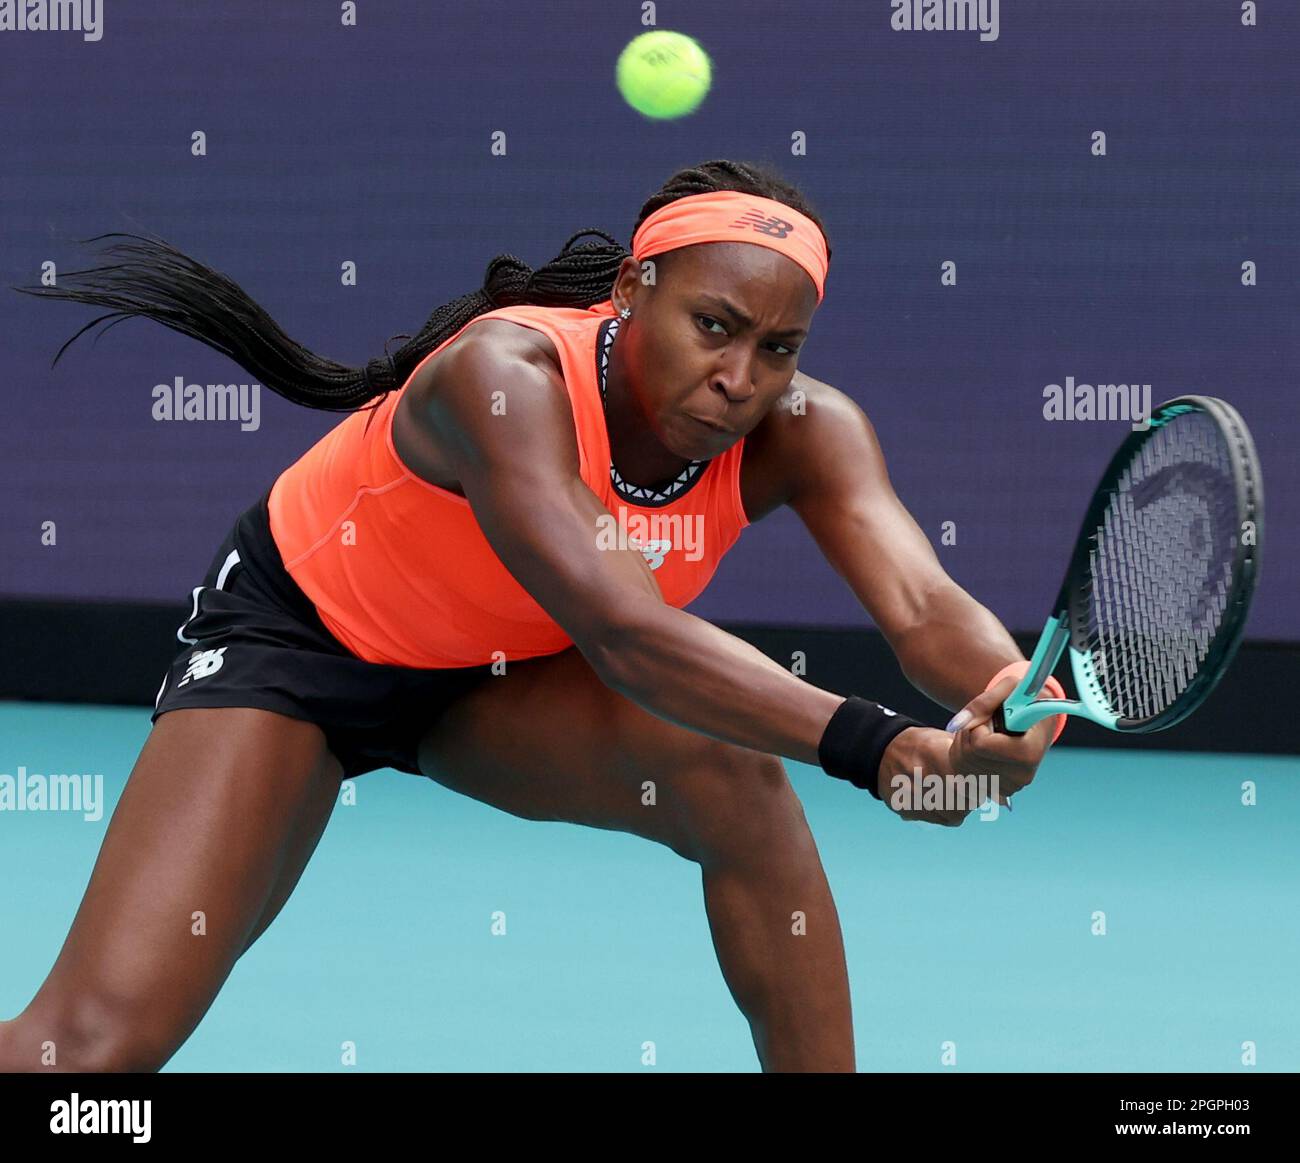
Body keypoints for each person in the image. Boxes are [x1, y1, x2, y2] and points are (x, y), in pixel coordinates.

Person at [2, 159, 1061, 1074]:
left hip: (499, 680)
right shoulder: (500, 377)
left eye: (778, 347)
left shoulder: (805, 429)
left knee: (734, 777)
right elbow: (628, 632)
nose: (740, 376)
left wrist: (1015, 696)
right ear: (629, 290)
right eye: (712, 326)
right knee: (91, 1051)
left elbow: (924, 606)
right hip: (301, 649)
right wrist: (879, 750)